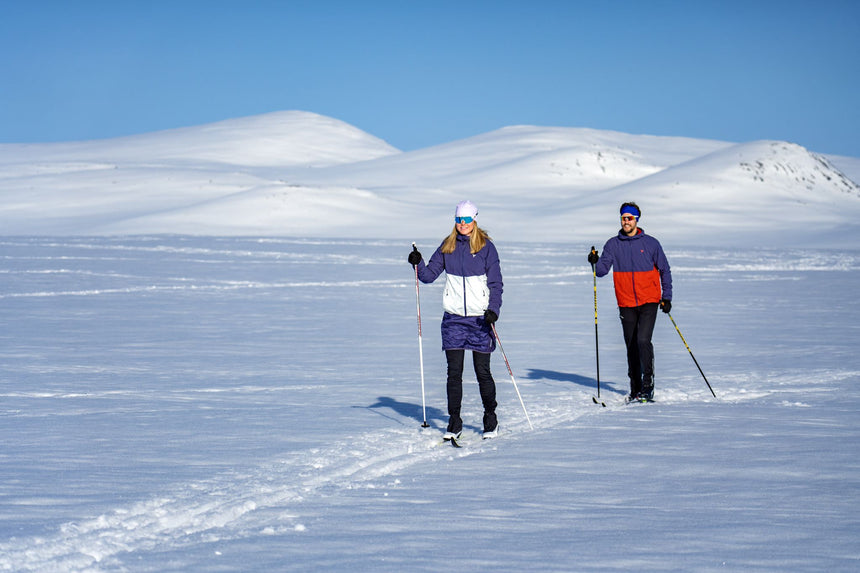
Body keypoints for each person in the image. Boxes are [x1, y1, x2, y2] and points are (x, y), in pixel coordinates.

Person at [408, 200, 503, 439]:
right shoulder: (447, 246)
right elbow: (428, 276)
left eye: (467, 220)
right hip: (453, 319)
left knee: (482, 371)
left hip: (480, 319)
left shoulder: (486, 248)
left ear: (474, 220)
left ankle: (490, 417)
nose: (462, 224)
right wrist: (417, 262)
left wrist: (494, 310)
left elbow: (496, 284)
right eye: (459, 220)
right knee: (454, 372)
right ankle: (454, 421)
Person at [588, 202, 672, 402]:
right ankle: (635, 388)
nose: (626, 221)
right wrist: (594, 261)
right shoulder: (612, 244)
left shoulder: (651, 244)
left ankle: (647, 384)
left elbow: (664, 270)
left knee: (643, 340)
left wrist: (666, 296)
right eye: (623, 218)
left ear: (637, 220)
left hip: (649, 300)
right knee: (631, 345)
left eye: (630, 218)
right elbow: (601, 272)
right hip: (626, 302)